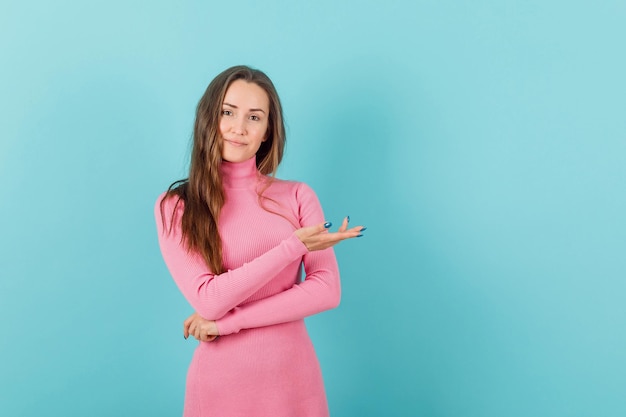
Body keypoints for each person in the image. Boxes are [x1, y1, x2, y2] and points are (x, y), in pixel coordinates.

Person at [155, 65, 365, 417]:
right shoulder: (177, 206)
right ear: (209, 117)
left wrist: (227, 324)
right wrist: (292, 247)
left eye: (255, 117)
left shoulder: (298, 196)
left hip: (294, 381)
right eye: (228, 112)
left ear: (268, 130)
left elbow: (327, 290)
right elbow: (208, 300)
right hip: (222, 386)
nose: (239, 128)